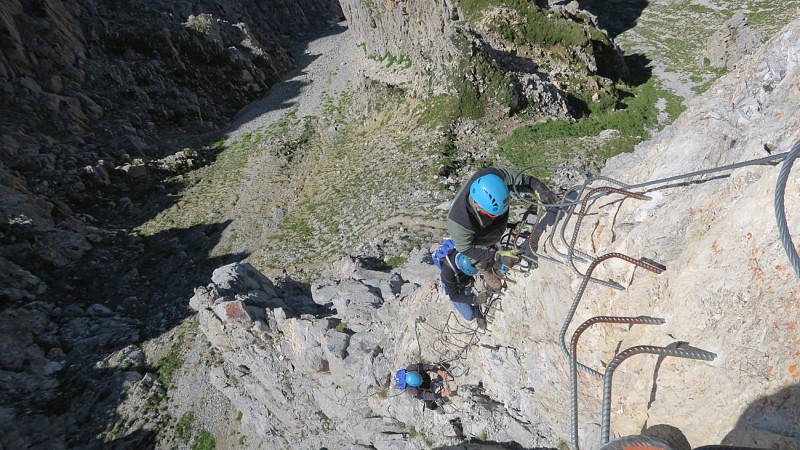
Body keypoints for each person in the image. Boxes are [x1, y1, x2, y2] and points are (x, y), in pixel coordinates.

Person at [447, 166, 558, 291]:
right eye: (492, 214)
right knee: (480, 260)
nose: (497, 216)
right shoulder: (458, 221)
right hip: (478, 238)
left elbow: (524, 180)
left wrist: (539, 189)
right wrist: (497, 256)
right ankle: (487, 273)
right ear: (477, 205)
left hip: (495, 227)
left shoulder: (493, 176)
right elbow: (465, 248)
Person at [440, 247, 489, 330]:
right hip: (454, 286)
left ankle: (478, 313)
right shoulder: (447, 274)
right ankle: (477, 314)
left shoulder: (467, 251)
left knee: (471, 290)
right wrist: (474, 299)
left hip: (464, 277)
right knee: (469, 316)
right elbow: (454, 296)